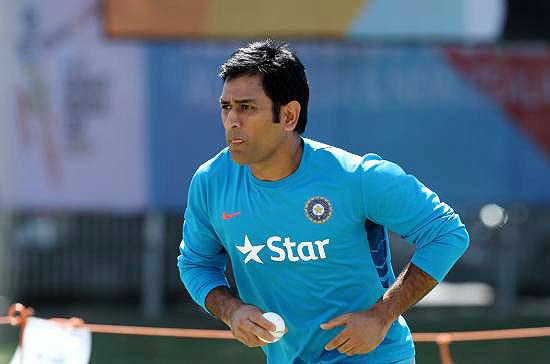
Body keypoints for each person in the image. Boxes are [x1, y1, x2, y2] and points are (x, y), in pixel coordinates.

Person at [177, 39, 469, 364]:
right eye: (226, 107)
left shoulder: (357, 178)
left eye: (247, 107)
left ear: (288, 116)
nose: (232, 120)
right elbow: (195, 264)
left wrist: (382, 315)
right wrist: (232, 311)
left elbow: (447, 233)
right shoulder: (211, 181)